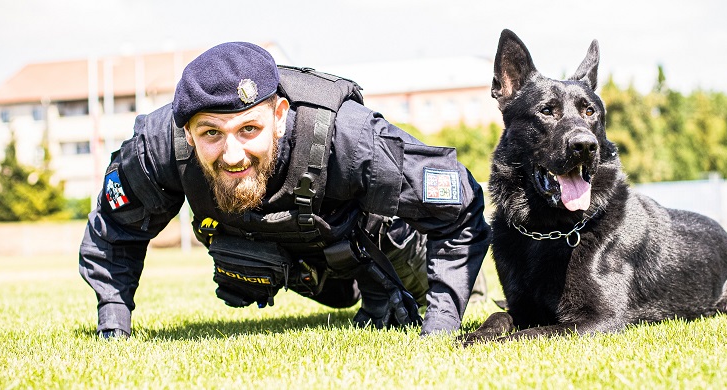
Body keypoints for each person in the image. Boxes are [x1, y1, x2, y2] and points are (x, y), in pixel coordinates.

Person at [78, 42, 490, 338]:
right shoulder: (158, 147)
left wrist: (441, 322)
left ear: (279, 115)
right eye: (210, 133)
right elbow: (116, 229)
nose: (233, 153)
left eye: (249, 129)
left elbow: (460, 206)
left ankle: (387, 292)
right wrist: (113, 322)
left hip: (369, 242)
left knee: (394, 238)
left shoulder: (351, 138)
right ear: (186, 131)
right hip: (296, 259)